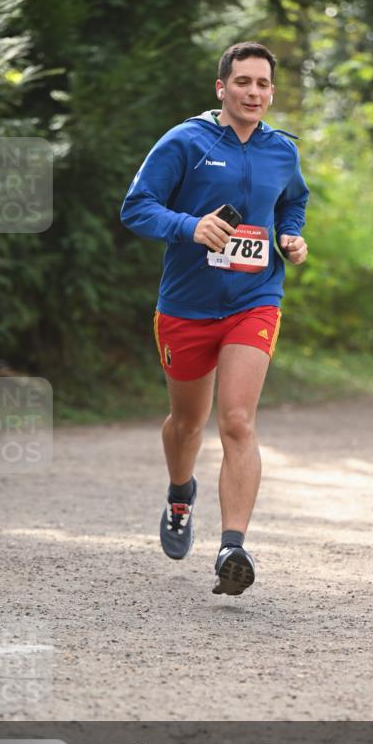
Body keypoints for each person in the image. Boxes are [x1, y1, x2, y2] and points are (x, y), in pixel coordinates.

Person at [120, 42, 309, 594]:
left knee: (238, 421)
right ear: (221, 87)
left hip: (255, 300)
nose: (254, 92)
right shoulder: (186, 141)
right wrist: (189, 226)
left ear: (272, 92)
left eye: (264, 84)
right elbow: (137, 205)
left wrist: (290, 236)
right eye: (243, 82)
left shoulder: (282, 151)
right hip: (186, 306)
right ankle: (181, 492)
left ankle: (233, 547)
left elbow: (292, 202)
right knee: (186, 424)